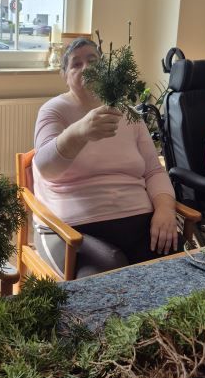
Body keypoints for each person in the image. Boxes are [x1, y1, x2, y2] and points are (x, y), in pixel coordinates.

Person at [32, 37, 179, 278]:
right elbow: (46, 167)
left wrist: (165, 209)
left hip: (137, 219)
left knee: (179, 270)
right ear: (64, 75)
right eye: (76, 64)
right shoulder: (53, 110)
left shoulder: (129, 114)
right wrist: (79, 132)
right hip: (73, 228)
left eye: (93, 61)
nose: (86, 68)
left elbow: (153, 170)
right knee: (107, 278)